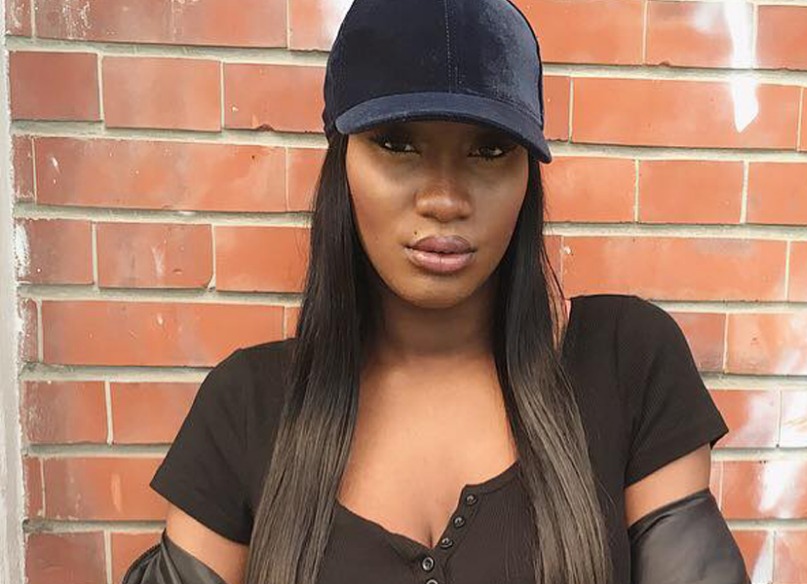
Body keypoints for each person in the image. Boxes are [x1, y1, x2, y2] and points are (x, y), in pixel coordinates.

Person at [121, 0, 750, 583]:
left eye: (489, 150)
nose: (444, 199)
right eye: (398, 145)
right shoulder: (248, 405)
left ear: (526, 177)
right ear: (343, 163)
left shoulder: (626, 362)